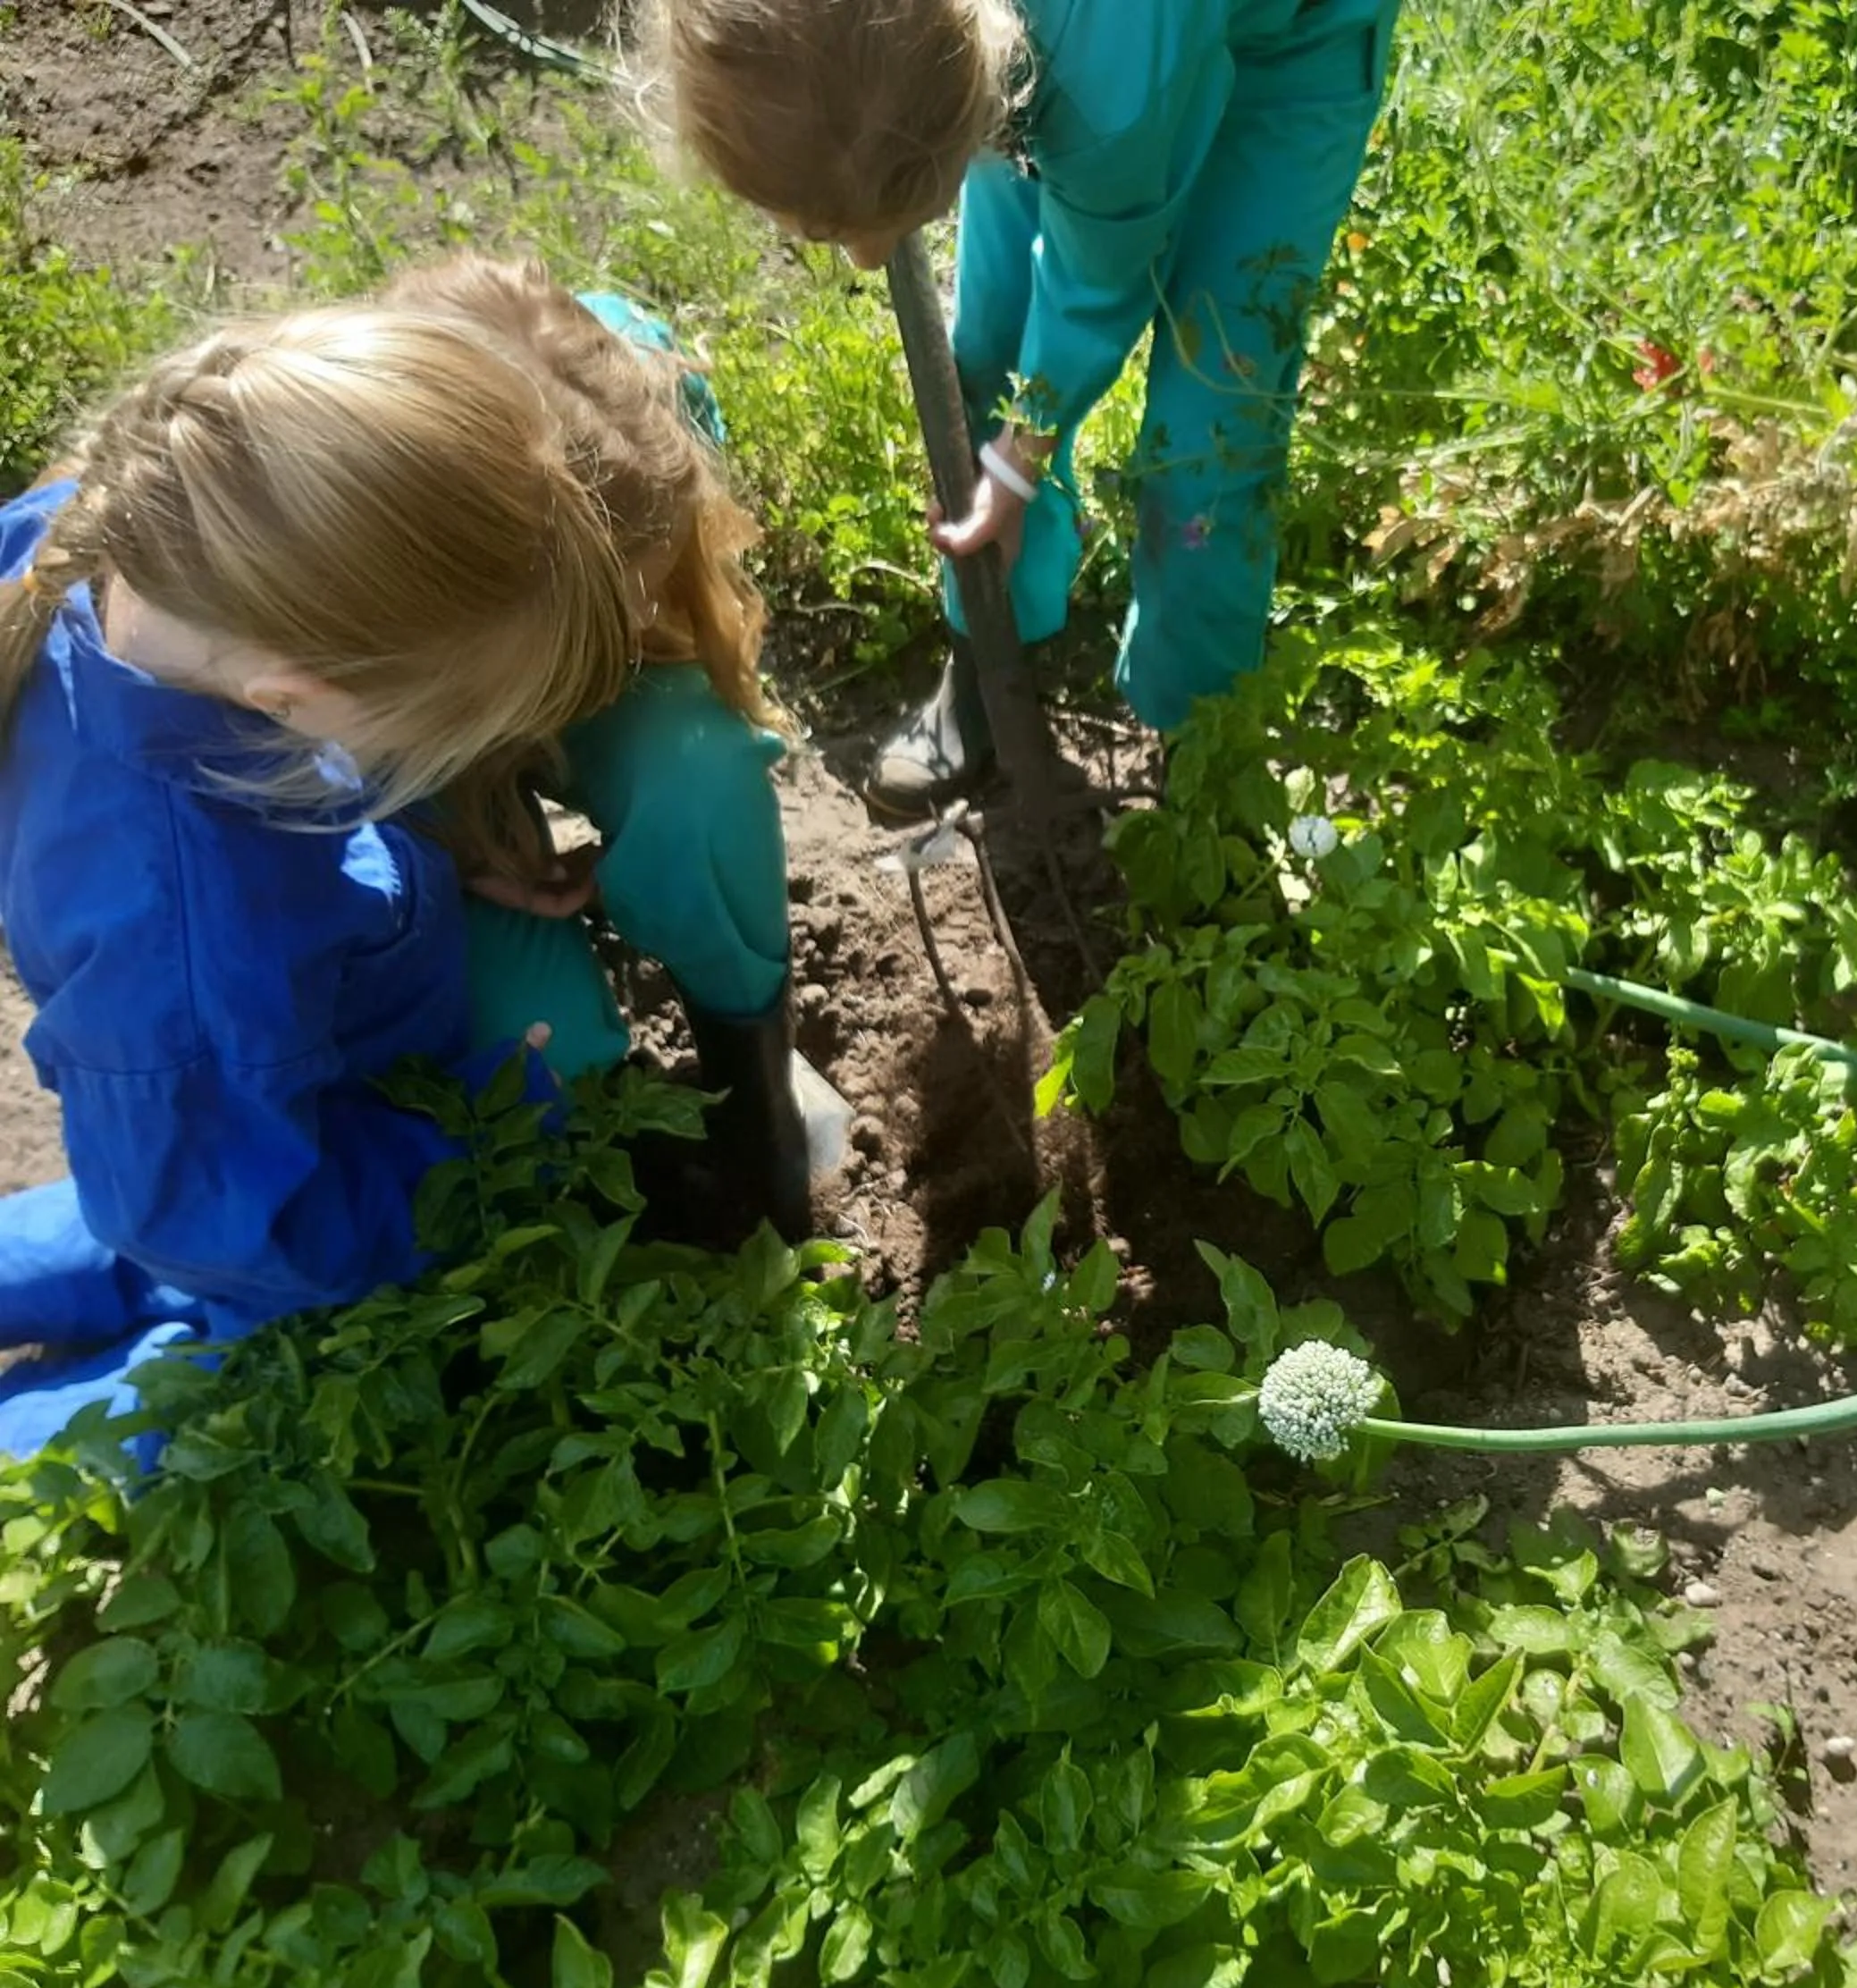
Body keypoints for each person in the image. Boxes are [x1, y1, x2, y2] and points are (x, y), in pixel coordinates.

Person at [0, 307, 637, 1457]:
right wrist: (493, 1153)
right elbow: (241, 1228)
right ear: (296, 697)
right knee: (226, 1401)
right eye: (438, 736)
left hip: (227, 1113)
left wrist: (445, 823)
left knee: (158, 1192)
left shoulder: (152, 532)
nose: (442, 756)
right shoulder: (190, 940)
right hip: (278, 1198)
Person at [636, 0, 1400, 807]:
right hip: (1070, 44)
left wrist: (1021, 456)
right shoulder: (902, 47)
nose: (866, 260)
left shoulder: (1109, 102)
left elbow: (1098, 287)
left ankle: (1200, 732)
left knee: (1211, 427)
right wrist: (1004, 455)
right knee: (991, 353)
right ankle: (988, 656)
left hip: (1289, 50)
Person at [381, 254, 830, 1242]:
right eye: (609, 605)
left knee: (702, 778)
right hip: (421, 764)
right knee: (539, 1033)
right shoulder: (348, 555)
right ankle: (610, 1153)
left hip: (525, 686)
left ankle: (758, 1115)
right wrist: (451, 838)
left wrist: (620, 627)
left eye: (647, 581)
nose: (640, 614)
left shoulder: (633, 409)